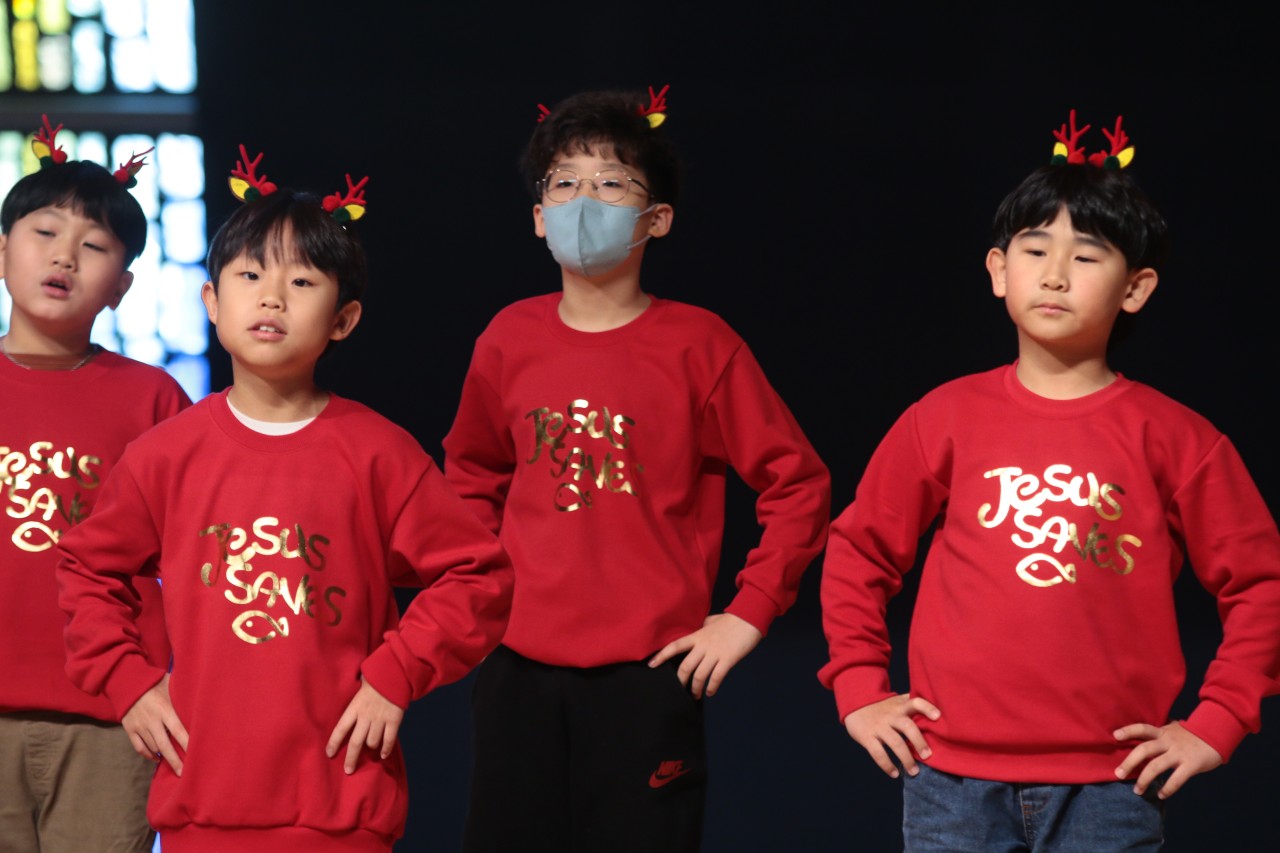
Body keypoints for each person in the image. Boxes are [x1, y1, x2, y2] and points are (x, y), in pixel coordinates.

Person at [819, 110, 1280, 851]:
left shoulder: (1178, 438)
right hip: (949, 775)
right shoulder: (944, 416)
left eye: (1088, 256)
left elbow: (1261, 582)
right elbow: (860, 550)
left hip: (1112, 782)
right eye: (1036, 250)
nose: (1056, 274)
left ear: (1136, 288)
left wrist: (1218, 720)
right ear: (999, 271)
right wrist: (857, 687)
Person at [56, 149, 513, 852]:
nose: (271, 297)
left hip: (342, 807)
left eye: (301, 281)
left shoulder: (379, 453)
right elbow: (88, 569)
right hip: (202, 805)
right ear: (212, 302)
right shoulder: (166, 455)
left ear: (343, 319)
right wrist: (128, 680)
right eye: (249, 276)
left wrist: (395, 675)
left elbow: (477, 574)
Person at [443, 86, 831, 852]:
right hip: (516, 667)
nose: (585, 199)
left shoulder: (700, 345)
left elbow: (798, 483)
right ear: (539, 215)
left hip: (650, 673)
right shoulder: (507, 338)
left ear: (657, 218)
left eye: (612, 182)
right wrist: (474, 599)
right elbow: (471, 475)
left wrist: (749, 611)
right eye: (565, 182)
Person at [0, 116, 189, 852]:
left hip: (115, 717)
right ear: (3, 251)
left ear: (123, 286)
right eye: (45, 232)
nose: (64, 256)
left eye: (95, 246)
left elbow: (190, 555)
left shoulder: (152, 399)